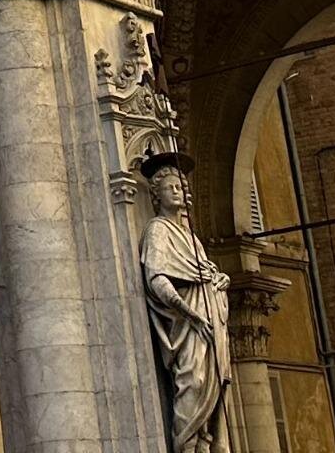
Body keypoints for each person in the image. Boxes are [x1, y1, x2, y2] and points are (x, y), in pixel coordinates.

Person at [138, 150, 237, 453]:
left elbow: (206, 273)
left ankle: (205, 444)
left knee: (215, 383)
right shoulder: (157, 231)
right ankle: (187, 446)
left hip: (210, 324)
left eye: (181, 186)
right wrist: (191, 314)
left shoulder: (191, 239)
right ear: (157, 195)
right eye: (171, 187)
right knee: (193, 383)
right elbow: (157, 279)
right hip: (190, 325)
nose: (178, 191)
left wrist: (220, 280)